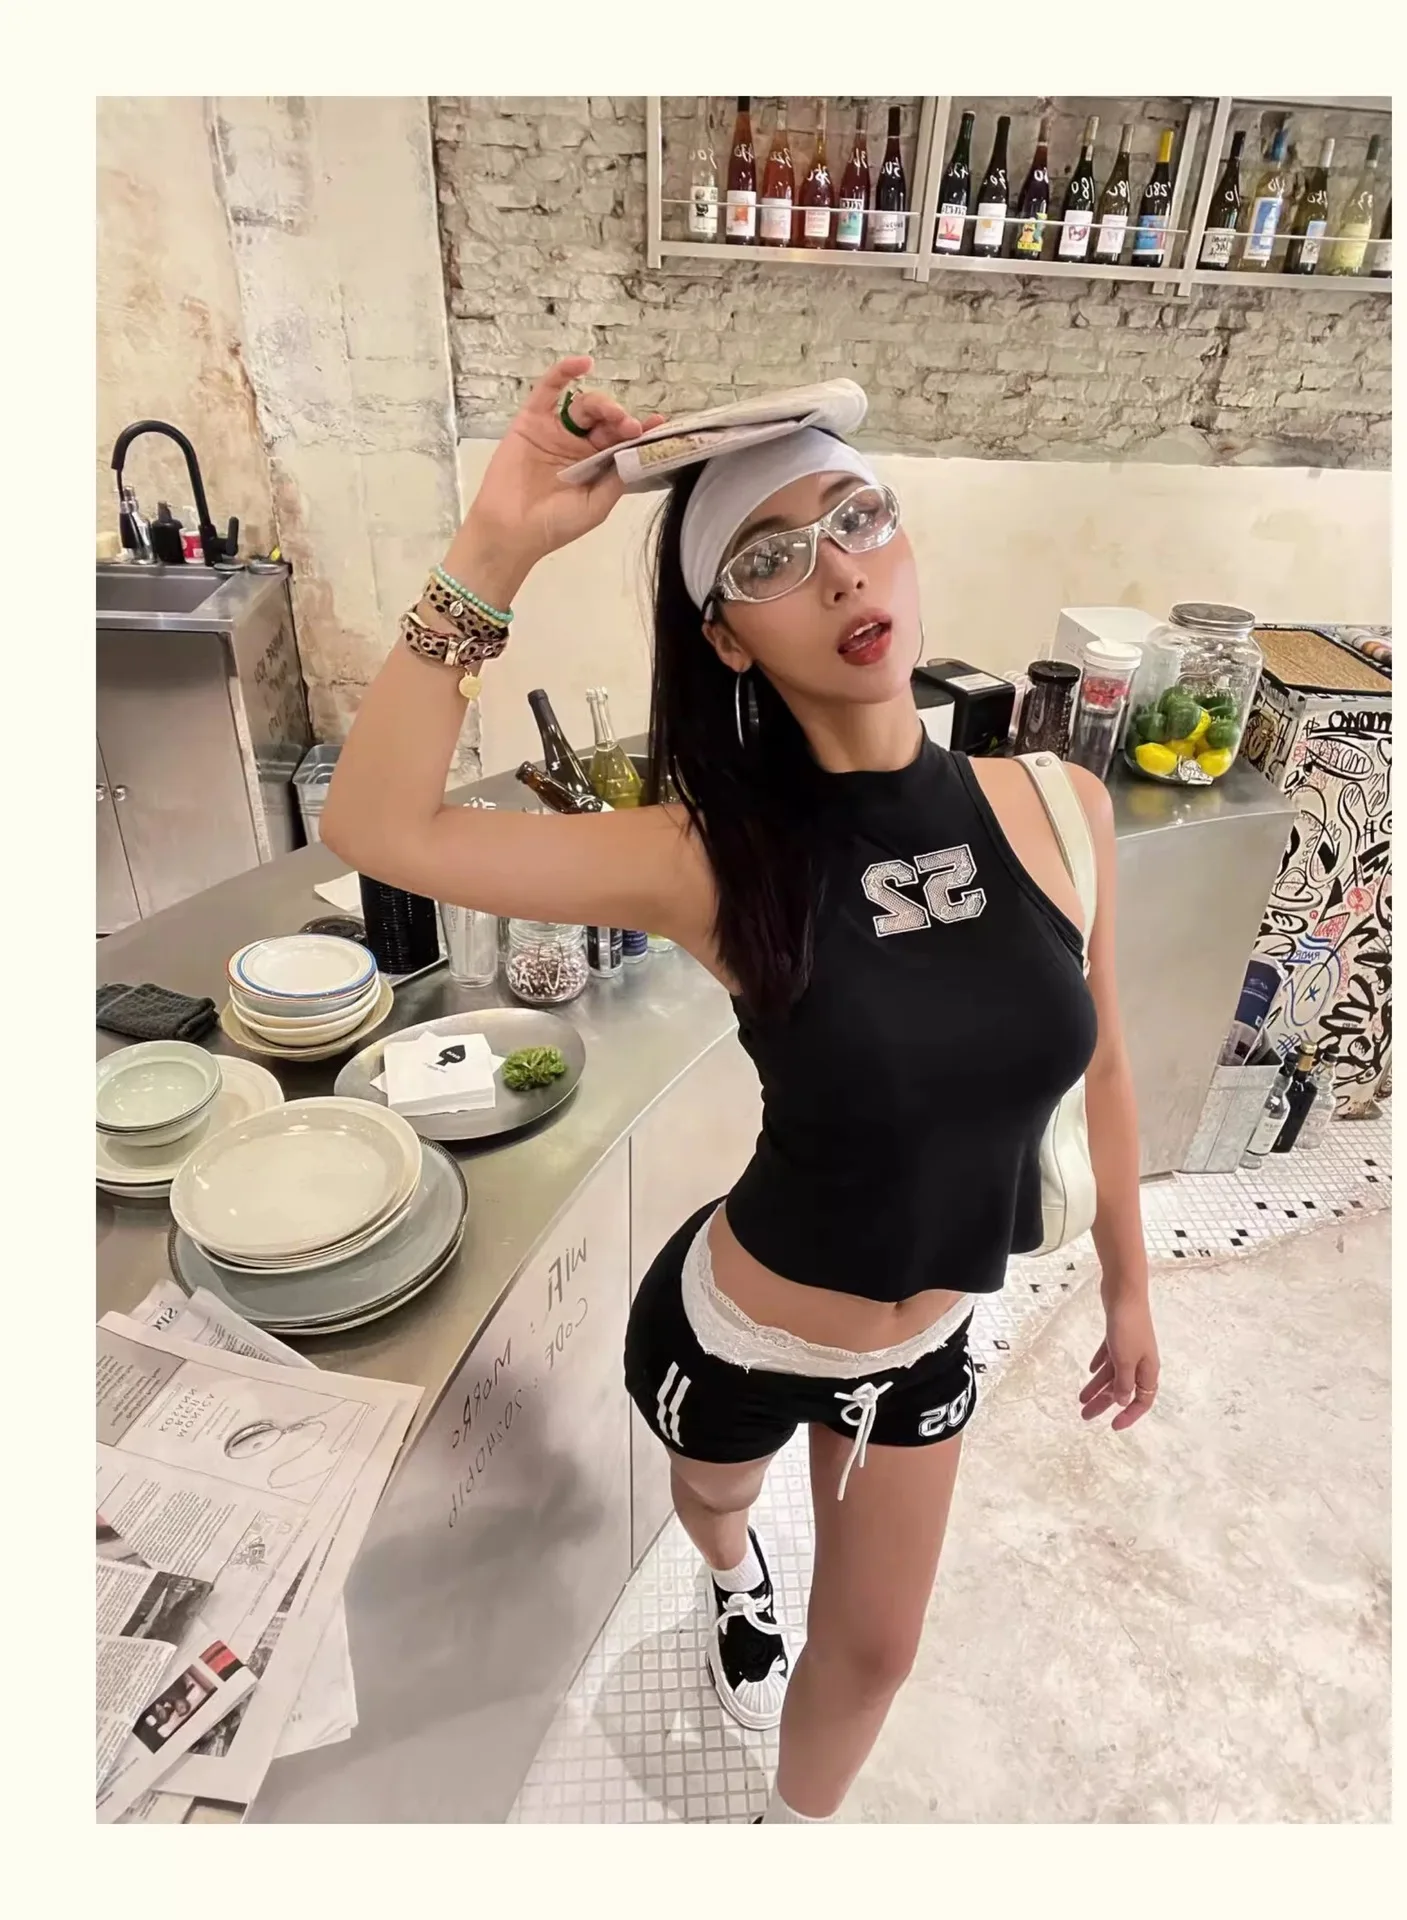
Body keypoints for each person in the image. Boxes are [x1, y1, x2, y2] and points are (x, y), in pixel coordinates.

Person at [322, 354, 1160, 1825]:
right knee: (716, 1504)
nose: (838, 570)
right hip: (741, 1326)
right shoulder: (707, 855)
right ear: (724, 637)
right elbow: (380, 825)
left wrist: (1131, 1285)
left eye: (858, 518)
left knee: (878, 1653)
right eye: (770, 559)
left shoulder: (1056, 804)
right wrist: (496, 546)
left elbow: (1102, 1059)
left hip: (927, 1339)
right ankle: (729, 1577)